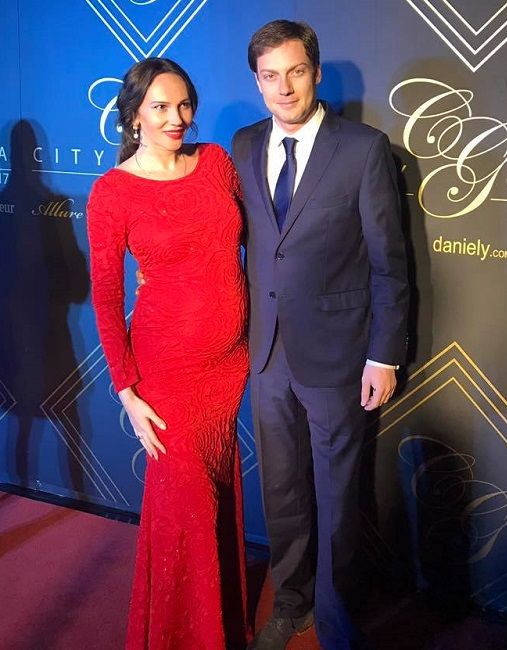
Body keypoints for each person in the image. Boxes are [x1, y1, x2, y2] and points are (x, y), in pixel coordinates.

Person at [232, 20, 409, 650]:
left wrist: (383, 355)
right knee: (280, 489)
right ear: (257, 82)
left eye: (296, 72)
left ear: (316, 73)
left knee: (337, 498)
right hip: (267, 353)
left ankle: (336, 623)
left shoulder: (362, 149)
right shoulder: (243, 144)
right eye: (270, 76)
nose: (284, 88)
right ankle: (292, 604)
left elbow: (390, 264)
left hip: (338, 354)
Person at [87, 58, 249, 650]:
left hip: (230, 364)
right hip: (168, 372)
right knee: (184, 500)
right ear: (134, 116)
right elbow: (107, 296)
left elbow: (260, 239)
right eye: (159, 107)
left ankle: (221, 623)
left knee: (217, 488)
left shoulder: (217, 163)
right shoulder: (112, 192)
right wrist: (127, 390)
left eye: (183, 105)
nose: (176, 118)